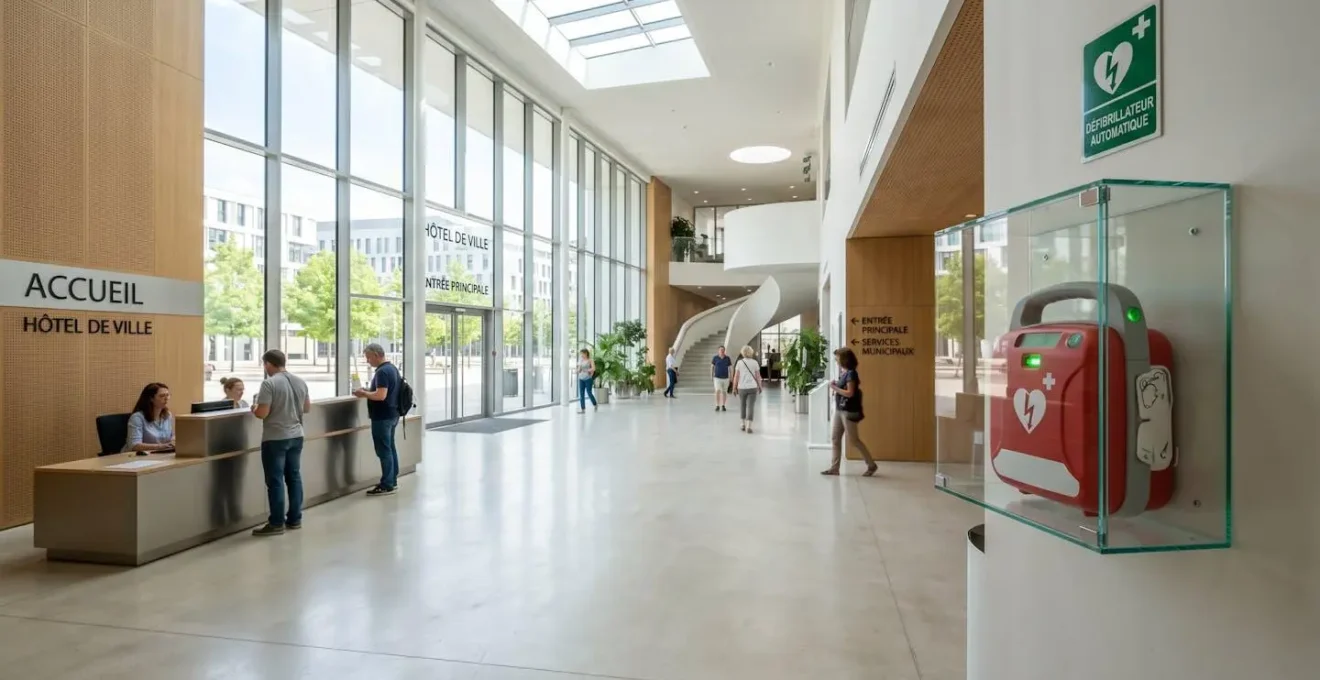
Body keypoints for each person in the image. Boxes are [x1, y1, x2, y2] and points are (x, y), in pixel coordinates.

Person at [251, 349, 311, 536]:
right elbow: (307, 408)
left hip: (275, 437)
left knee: (275, 480)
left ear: (268, 363)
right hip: (297, 435)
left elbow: (262, 413)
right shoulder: (300, 381)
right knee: (294, 477)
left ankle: (276, 523)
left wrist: (254, 407)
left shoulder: (269, 384)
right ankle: (295, 518)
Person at [354, 343, 402, 496]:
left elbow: (381, 396)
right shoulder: (393, 369)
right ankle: (392, 480)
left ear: (376, 354)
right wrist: (369, 391)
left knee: (383, 450)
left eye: (368, 357)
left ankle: (387, 484)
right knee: (390, 447)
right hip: (393, 414)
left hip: (382, 416)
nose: (368, 361)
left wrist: (364, 394)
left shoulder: (382, 372)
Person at [822, 347, 877, 477]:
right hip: (840, 410)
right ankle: (834, 468)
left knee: (854, 440)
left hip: (848, 411)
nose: (836, 360)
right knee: (835, 438)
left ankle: (871, 465)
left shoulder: (851, 373)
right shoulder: (845, 373)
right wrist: (837, 384)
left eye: (837, 358)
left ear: (844, 359)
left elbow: (850, 393)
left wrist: (834, 387)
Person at [123, 383, 175, 453]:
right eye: (162, 396)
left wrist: (174, 441)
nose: (166, 399)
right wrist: (161, 446)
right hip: (137, 457)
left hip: (159, 455)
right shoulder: (137, 418)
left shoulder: (168, 415)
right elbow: (134, 445)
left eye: (168, 395)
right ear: (151, 399)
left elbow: (171, 437)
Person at [732, 346, 764, 433]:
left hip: (741, 387)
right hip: (753, 387)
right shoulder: (755, 362)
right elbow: (758, 376)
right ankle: (749, 426)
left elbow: (736, 376)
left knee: (742, 405)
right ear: (751, 352)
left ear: (743, 352)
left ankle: (742, 424)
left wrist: (734, 387)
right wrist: (760, 386)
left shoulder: (739, 362)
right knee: (751, 406)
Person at [711, 346, 733, 411]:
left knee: (724, 392)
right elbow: (712, 367)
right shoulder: (715, 358)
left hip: (726, 378)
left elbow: (730, 368)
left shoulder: (727, 358)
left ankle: (723, 405)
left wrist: (731, 376)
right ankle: (717, 405)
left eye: (723, 350)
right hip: (717, 378)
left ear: (724, 351)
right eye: (720, 350)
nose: (722, 351)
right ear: (718, 351)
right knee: (717, 391)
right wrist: (711, 375)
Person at [577, 349, 598, 413]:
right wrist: (577, 370)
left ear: (586, 353)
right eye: (581, 354)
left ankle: (595, 404)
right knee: (581, 393)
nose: (581, 355)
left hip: (588, 378)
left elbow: (594, 369)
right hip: (581, 378)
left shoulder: (590, 360)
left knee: (589, 392)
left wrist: (587, 370)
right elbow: (579, 369)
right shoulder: (581, 360)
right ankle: (583, 408)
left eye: (582, 353)